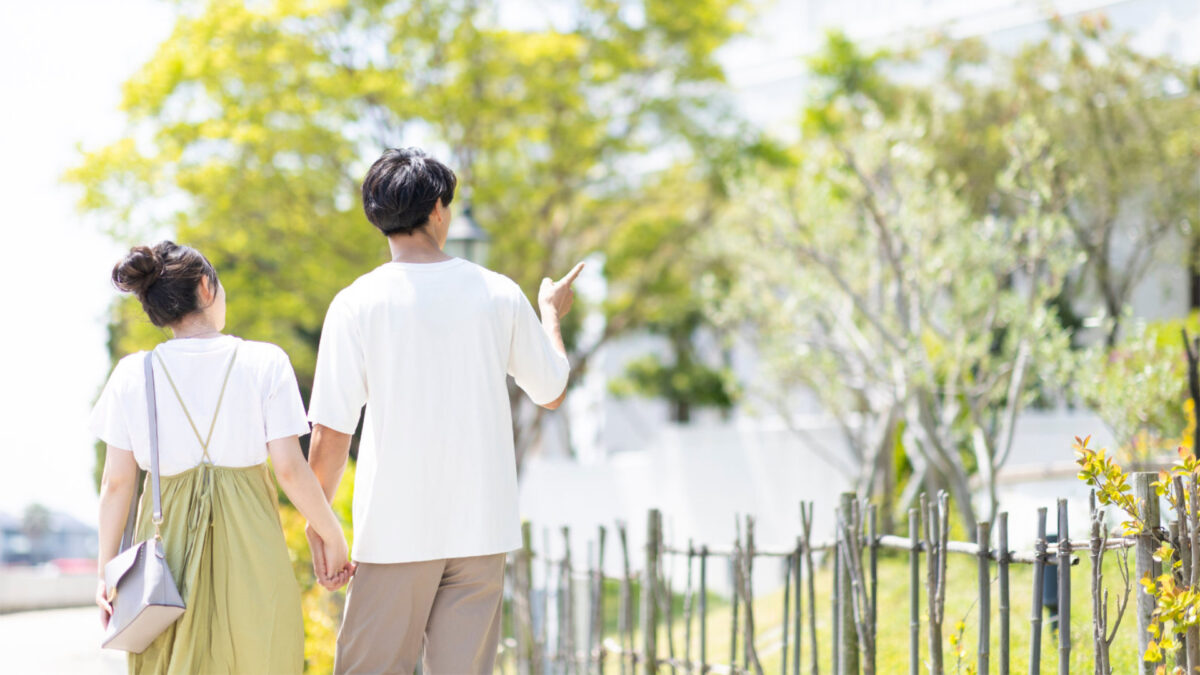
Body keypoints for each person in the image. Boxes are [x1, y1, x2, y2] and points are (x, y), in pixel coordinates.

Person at [305, 147, 581, 674]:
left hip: (393, 532)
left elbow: (331, 436)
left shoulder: (357, 303)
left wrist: (322, 528)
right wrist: (551, 315)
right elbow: (551, 389)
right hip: (481, 530)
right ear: (438, 208)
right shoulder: (498, 293)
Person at [91, 241, 353, 674]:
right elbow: (289, 467)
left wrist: (106, 573)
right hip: (252, 540)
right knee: (262, 655)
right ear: (206, 288)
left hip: (164, 553)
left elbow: (117, 484)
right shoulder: (264, 361)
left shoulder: (133, 374)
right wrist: (332, 536)